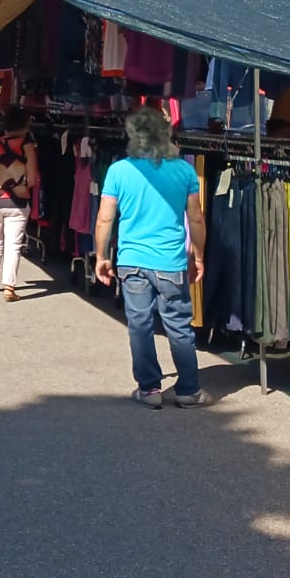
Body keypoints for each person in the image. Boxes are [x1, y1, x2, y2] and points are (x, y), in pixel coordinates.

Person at [95, 106, 212, 409]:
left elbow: (105, 219)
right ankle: (188, 390)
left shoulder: (120, 170)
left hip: (132, 260)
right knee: (179, 325)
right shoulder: (184, 170)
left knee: (139, 323)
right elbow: (196, 219)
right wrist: (197, 255)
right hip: (170, 262)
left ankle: (149, 389)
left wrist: (101, 256)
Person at [0, 107, 38, 303]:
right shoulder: (26, 145)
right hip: (16, 201)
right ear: (23, 125)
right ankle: (9, 288)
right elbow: (31, 178)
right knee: (13, 244)